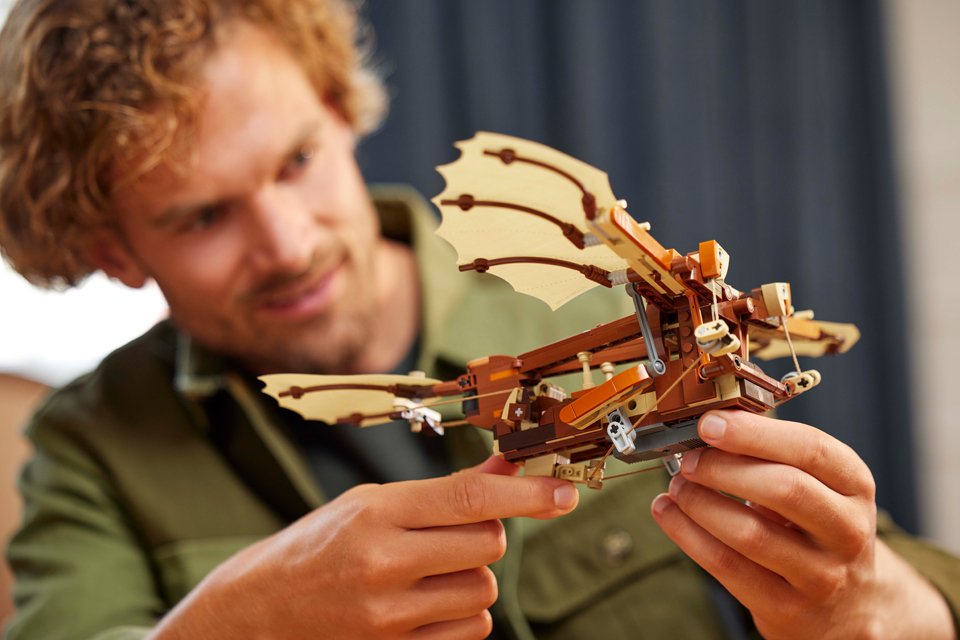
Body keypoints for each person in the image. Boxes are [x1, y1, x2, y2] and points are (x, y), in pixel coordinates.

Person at [0, 1, 957, 638]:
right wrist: (235, 626)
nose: (286, 243)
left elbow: (911, 597)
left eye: (293, 162)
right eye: (203, 217)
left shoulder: (588, 306)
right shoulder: (90, 452)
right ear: (115, 252)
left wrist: (864, 600)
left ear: (336, 107)